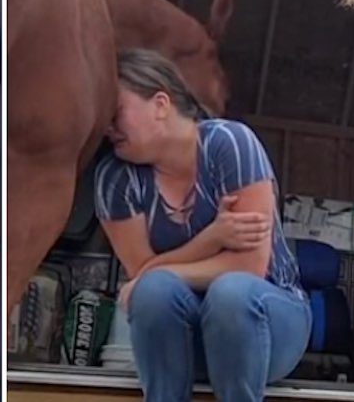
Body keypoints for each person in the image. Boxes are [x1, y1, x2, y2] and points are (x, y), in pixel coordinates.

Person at [94, 48, 311, 402]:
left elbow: (249, 266)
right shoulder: (116, 178)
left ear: (161, 104)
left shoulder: (230, 144)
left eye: (115, 112)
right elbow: (144, 283)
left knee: (231, 293)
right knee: (154, 293)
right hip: (184, 336)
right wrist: (212, 239)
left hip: (268, 322)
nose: (108, 127)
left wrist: (164, 272)